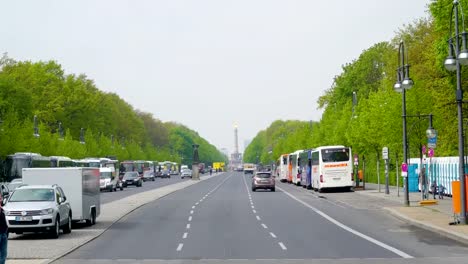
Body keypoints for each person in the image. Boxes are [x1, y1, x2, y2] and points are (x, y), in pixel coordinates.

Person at [0, 194, 8, 264]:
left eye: (0, 197)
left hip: (3, 234)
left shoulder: (2, 209)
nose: (0, 198)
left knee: (4, 254)